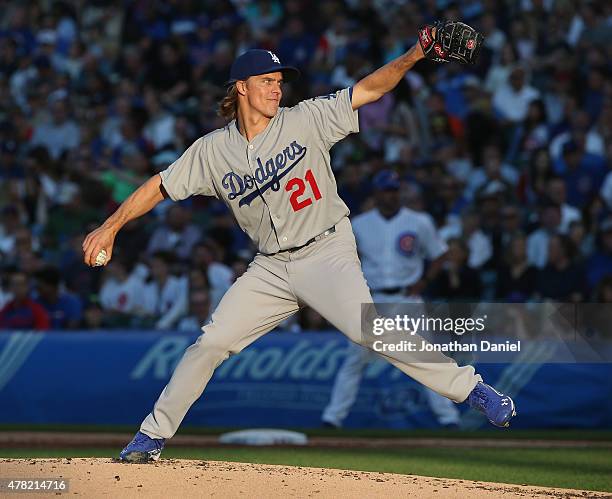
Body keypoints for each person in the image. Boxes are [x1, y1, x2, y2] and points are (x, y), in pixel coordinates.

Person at [83, 43, 516, 464]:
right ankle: (150, 437)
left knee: (372, 331)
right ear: (241, 88)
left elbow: (369, 89)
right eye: (267, 81)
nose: (276, 88)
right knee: (210, 341)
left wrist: (416, 54)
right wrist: (110, 226)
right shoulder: (212, 150)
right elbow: (158, 186)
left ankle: (471, 389)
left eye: (278, 81)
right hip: (271, 266)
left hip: (327, 249)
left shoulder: (305, 118)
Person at [321, 170, 461, 429]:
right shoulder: (359, 223)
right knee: (355, 360)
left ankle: (448, 418)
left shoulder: (419, 221)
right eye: (386, 190)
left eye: (395, 190)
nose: (391, 195)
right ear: (375, 194)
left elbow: (440, 254)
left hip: (407, 298)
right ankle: (333, 418)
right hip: (372, 298)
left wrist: (425, 281)